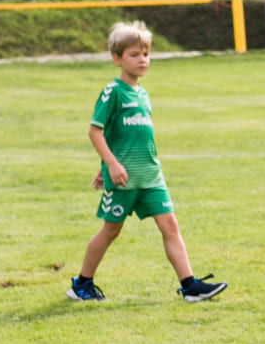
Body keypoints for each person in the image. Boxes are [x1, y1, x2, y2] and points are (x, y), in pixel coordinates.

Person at [68, 21, 226, 304]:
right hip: (125, 180)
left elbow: (126, 137)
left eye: (145, 54)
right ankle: (81, 284)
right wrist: (111, 167)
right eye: (134, 54)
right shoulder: (112, 92)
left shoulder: (142, 94)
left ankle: (189, 285)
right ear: (117, 59)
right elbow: (96, 131)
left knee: (170, 225)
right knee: (111, 230)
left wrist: (105, 165)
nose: (142, 60)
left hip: (151, 176)